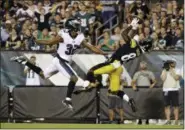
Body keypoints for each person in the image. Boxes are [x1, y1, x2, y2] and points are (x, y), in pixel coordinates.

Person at [10, 18, 106, 110]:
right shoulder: (63, 35)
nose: (78, 28)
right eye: (76, 26)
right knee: (74, 78)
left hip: (60, 61)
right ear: (71, 27)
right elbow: (49, 42)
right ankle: (68, 99)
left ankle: (25, 61)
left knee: (43, 75)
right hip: (61, 60)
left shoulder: (80, 37)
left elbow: (92, 47)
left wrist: (103, 53)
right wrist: (37, 40)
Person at [75, 18, 146, 110]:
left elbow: (125, 35)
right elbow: (129, 39)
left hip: (112, 65)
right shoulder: (138, 51)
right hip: (118, 68)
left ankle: (89, 85)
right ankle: (129, 100)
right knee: (115, 91)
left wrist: (131, 26)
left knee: (91, 71)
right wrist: (134, 29)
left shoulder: (132, 44)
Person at [160, 60, 181, 125]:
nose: (173, 64)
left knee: (176, 106)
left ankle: (176, 121)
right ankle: (168, 120)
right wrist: (166, 70)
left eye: (174, 63)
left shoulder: (177, 70)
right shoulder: (164, 70)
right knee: (167, 106)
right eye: (172, 63)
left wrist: (171, 70)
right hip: (166, 90)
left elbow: (176, 78)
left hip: (174, 89)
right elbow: (163, 79)